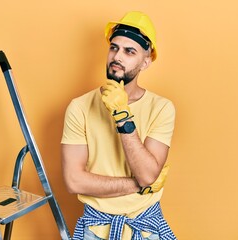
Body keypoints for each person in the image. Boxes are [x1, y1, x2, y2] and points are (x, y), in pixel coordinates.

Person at [61, 11, 176, 240]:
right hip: (95, 228)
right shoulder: (80, 107)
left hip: (145, 227)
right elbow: (74, 181)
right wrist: (138, 186)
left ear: (146, 61)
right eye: (114, 48)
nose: (117, 56)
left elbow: (147, 173)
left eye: (129, 51)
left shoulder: (162, 108)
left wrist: (122, 117)